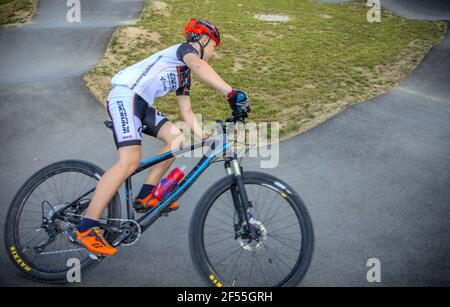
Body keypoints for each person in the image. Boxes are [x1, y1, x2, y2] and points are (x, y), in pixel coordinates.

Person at [71, 18, 251, 256]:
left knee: (176, 138)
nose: (214, 54)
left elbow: (186, 111)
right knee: (129, 161)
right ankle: (86, 226)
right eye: (214, 47)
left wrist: (203, 134)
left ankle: (146, 195)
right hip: (125, 96)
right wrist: (230, 91)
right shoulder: (184, 51)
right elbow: (198, 65)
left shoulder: (184, 74)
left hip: (141, 104)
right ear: (203, 39)